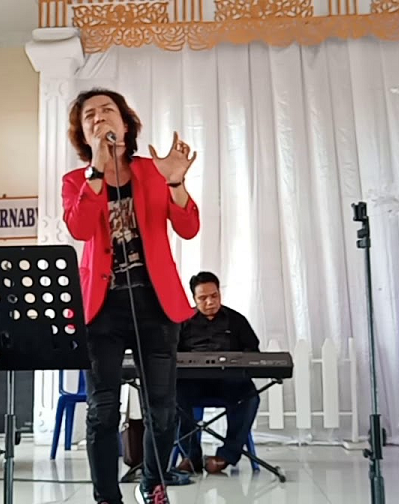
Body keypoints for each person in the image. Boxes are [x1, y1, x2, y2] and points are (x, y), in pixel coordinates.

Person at [62, 88, 200, 504]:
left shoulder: (153, 170)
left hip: (155, 304)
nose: (99, 117)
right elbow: (80, 228)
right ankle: (107, 497)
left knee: (162, 408)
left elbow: (188, 227)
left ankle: (153, 484)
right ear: (82, 132)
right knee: (102, 410)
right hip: (101, 307)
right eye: (89, 115)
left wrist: (175, 181)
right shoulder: (76, 181)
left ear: (126, 124)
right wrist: (97, 170)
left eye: (108, 110)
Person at [174, 272, 260, 475]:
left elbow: (252, 352)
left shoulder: (236, 321)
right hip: (192, 383)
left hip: (228, 382)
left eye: (214, 296)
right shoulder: (182, 322)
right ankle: (191, 456)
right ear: (194, 299)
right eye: (203, 298)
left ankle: (226, 456)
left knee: (249, 396)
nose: (210, 302)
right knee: (172, 396)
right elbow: (171, 354)